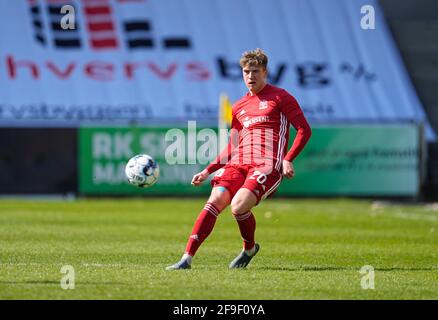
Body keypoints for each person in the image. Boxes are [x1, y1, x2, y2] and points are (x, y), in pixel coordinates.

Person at [166, 48, 312, 270]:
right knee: (216, 199)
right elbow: (232, 145)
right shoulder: (239, 106)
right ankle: (186, 258)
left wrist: (288, 158)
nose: (250, 76)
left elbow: (304, 130)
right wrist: (208, 170)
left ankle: (249, 248)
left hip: (266, 164)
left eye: (255, 71)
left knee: (238, 206)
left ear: (265, 73)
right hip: (238, 162)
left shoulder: (281, 97)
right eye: (246, 72)